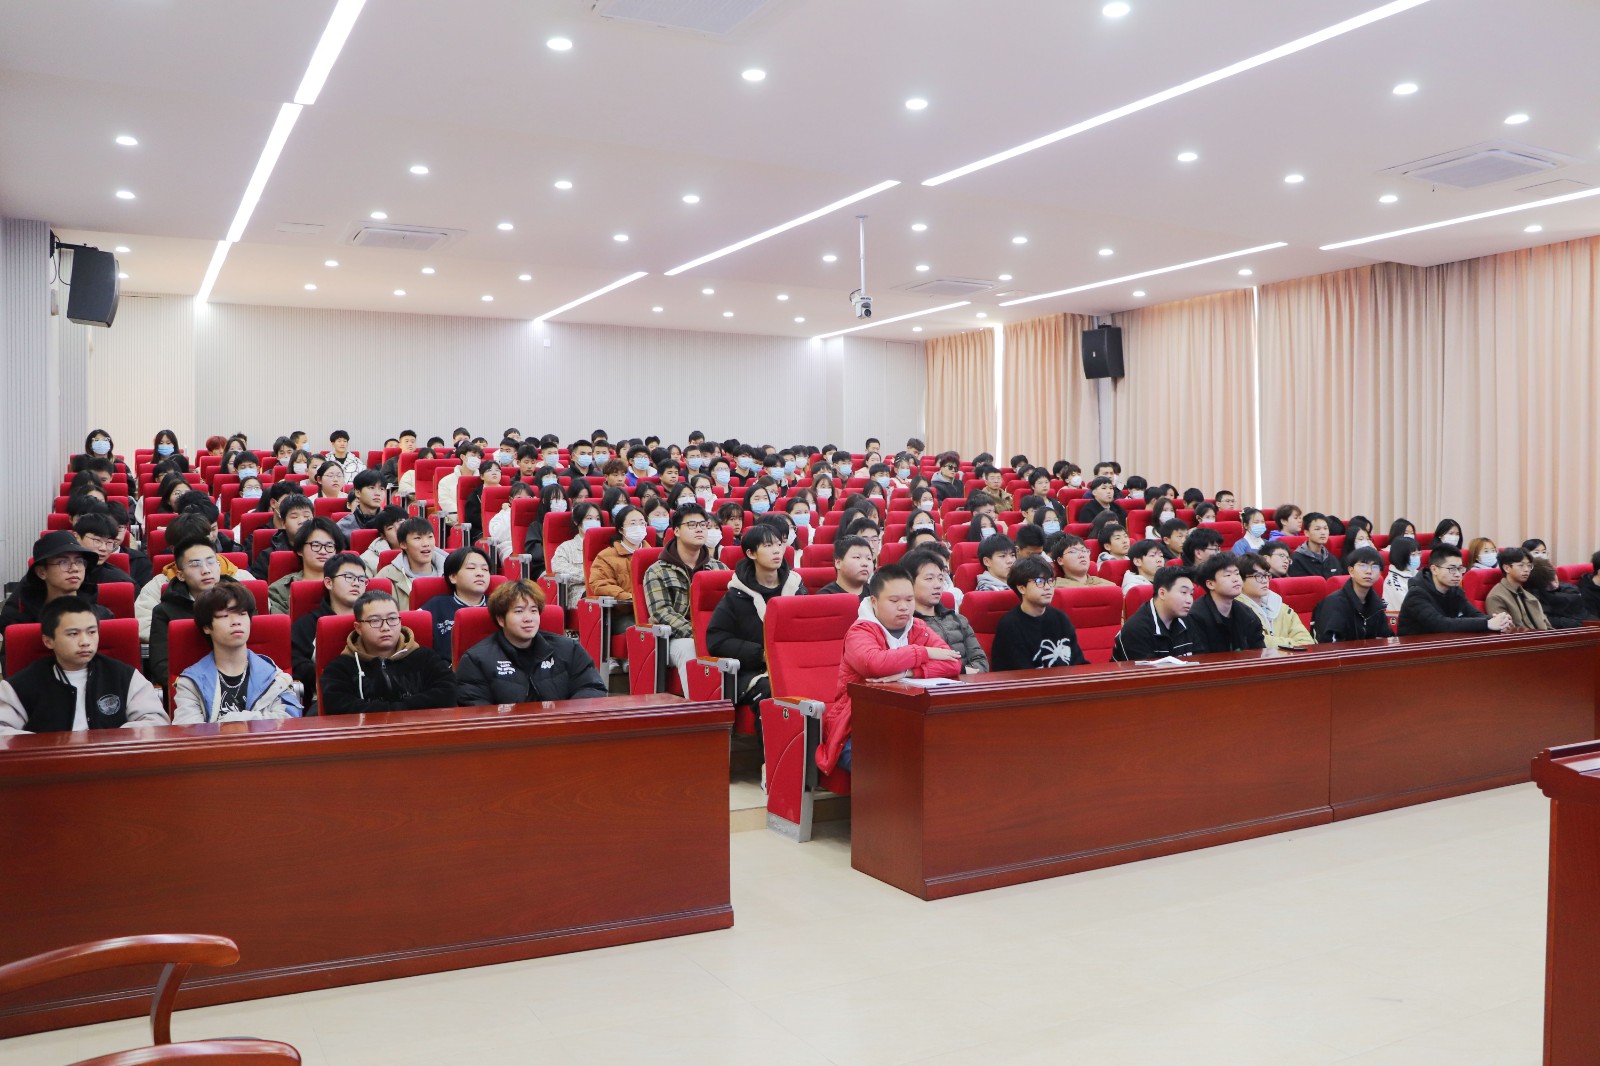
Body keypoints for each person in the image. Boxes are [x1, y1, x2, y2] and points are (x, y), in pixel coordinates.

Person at [816, 565, 961, 775]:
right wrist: (923, 652)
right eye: (894, 601)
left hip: (906, 721)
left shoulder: (918, 627)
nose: (903, 607)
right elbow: (875, 664)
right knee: (891, 768)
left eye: (909, 600)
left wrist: (908, 672)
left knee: (947, 757)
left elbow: (953, 662)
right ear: (874, 601)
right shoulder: (860, 631)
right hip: (856, 726)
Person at [0, 596, 167, 734]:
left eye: (92, 632)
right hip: (49, 762)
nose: (85, 641)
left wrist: (110, 741)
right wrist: (45, 747)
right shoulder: (21, 685)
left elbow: (156, 721)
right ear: (48, 641)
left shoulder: (125, 676)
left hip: (112, 759)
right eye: (73, 634)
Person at [706, 523, 808, 737]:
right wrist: (760, 654)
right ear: (751, 553)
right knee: (773, 690)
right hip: (751, 672)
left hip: (794, 665)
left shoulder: (796, 587)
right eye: (768, 546)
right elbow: (717, 640)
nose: (777, 550)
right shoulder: (736, 595)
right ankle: (772, 757)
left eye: (779, 544)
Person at [455, 580, 606, 705]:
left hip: (561, 727)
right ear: (501, 619)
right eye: (519, 611)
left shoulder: (569, 649)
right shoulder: (476, 659)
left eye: (533, 611)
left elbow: (592, 688)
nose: (528, 618)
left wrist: (565, 716)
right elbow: (474, 707)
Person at [171, 584, 302, 723]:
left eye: (242, 614)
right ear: (207, 627)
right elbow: (189, 730)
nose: (236, 622)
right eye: (224, 615)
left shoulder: (274, 677)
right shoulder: (191, 682)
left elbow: (290, 721)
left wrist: (233, 720)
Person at [318, 591, 457, 715]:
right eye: (375, 621)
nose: (385, 627)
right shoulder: (341, 667)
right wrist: (398, 712)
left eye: (392, 619)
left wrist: (396, 711)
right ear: (358, 628)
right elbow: (338, 706)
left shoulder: (425, 657)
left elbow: (448, 692)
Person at [642, 505, 728, 692]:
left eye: (703, 525)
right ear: (676, 531)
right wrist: (699, 634)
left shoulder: (719, 568)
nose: (699, 529)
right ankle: (698, 706)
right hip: (674, 639)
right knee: (690, 648)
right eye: (692, 525)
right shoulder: (657, 570)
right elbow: (662, 612)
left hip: (714, 635)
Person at [150, 538, 239, 686]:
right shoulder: (165, 612)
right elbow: (161, 665)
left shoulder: (240, 601)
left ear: (219, 566)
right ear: (180, 575)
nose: (206, 570)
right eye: (195, 565)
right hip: (190, 687)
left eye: (211, 562)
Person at [0, 533, 113, 640]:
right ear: (41, 572)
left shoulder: (101, 616)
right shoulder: (21, 623)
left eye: (79, 562)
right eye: (63, 562)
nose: (74, 568)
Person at [289, 551, 367, 700]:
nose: (356, 583)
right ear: (329, 583)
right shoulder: (307, 624)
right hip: (324, 698)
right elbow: (295, 664)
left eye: (362, 579)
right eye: (349, 577)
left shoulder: (374, 621)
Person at [991, 556, 1087, 671]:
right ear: (1022, 588)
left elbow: (1078, 662)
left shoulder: (1060, 618)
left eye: (1050, 581)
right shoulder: (1009, 625)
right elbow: (1017, 673)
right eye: (1039, 582)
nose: (1047, 587)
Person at [899, 549, 985, 674]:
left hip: (969, 683)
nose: (938, 585)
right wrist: (962, 671)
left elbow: (981, 663)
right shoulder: (903, 624)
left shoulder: (958, 619)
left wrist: (965, 674)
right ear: (908, 582)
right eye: (929, 578)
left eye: (940, 579)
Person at [1397, 544, 1513, 635]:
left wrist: (1499, 620)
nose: (1458, 574)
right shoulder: (1416, 594)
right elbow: (1440, 624)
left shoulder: (1454, 590)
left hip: (1443, 646)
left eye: (1460, 568)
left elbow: (1474, 614)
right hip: (1414, 650)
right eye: (1452, 569)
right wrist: (1487, 623)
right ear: (1434, 569)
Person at [1111, 566, 1198, 661]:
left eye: (1191, 594)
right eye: (1184, 592)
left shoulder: (1190, 620)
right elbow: (1145, 669)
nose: (1189, 600)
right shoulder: (1136, 629)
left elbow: (1202, 660)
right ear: (1162, 593)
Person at [417, 546, 494, 653]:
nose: (480, 573)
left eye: (485, 569)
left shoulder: (499, 606)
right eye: (471, 568)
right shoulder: (436, 605)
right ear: (453, 577)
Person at [1185, 554, 1266, 654]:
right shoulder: (1195, 617)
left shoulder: (1247, 615)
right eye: (1228, 575)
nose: (1236, 579)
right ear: (1210, 584)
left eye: (1237, 573)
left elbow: (1259, 651)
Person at [1311, 547, 1394, 642]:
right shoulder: (1334, 604)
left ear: (1380, 574)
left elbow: (1386, 637)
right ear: (1351, 571)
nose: (1369, 571)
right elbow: (1330, 644)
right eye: (1363, 565)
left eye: (1375, 567)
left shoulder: (1377, 605)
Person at [267, 517, 347, 616]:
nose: (323, 551)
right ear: (300, 550)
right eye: (316, 545)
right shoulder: (279, 589)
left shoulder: (349, 583)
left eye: (329, 546)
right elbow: (281, 623)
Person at [1236, 552, 1314, 650]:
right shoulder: (1236, 610)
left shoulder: (1284, 609)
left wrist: (1278, 644)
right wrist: (1290, 644)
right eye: (1258, 576)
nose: (1265, 581)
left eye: (1266, 575)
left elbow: (1307, 642)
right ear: (1240, 580)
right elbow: (1257, 642)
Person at [373, 517, 446, 610]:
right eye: (417, 538)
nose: (426, 544)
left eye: (430, 537)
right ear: (403, 544)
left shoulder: (453, 572)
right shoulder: (386, 576)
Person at [586, 505, 647, 609]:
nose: (638, 527)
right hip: (625, 609)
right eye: (633, 524)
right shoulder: (605, 556)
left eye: (642, 523)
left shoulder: (654, 555)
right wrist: (629, 597)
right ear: (621, 530)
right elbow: (600, 585)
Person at [547, 501, 600, 609]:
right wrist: (593, 578)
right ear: (577, 522)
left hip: (605, 589)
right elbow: (560, 569)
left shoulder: (606, 547)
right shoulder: (566, 547)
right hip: (579, 593)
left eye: (597, 519)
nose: (594, 522)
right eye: (589, 518)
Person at [1483, 546, 1549, 630]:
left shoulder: (1530, 597)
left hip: (1542, 636)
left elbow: (1547, 626)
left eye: (1529, 565)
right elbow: (1506, 629)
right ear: (1506, 568)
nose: (1526, 570)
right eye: (1521, 565)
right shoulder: (1496, 597)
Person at [251, 494, 316, 580]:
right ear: (283, 523)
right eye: (294, 517)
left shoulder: (325, 550)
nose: (302, 521)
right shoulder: (267, 556)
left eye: (307, 516)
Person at [1532, 558, 1589, 629]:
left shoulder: (1570, 588)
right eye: (1547, 583)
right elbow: (1546, 620)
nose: (1554, 585)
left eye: (1554, 579)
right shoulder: (1535, 596)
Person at [1287, 513, 1347, 578]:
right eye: (1317, 529)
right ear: (1306, 533)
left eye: (1325, 528)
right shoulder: (1296, 559)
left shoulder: (1332, 559)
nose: (1323, 533)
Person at [435, 443, 481, 521]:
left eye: (479, 457)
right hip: (457, 520)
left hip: (479, 519)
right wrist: (461, 516)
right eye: (473, 456)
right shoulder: (446, 481)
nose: (476, 459)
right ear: (462, 457)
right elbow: (445, 502)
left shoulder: (483, 479)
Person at [360, 505, 409, 575]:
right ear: (383, 535)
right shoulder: (367, 560)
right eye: (390, 528)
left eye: (401, 524)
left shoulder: (422, 550)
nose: (398, 530)